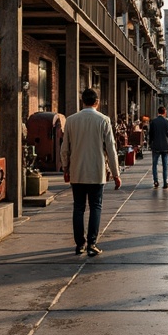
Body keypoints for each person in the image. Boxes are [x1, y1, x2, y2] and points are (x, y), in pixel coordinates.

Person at [60, 88, 120, 256]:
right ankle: (92, 244)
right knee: (95, 207)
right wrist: (116, 174)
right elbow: (111, 149)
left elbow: (65, 148)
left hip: (77, 172)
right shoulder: (104, 120)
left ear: (82, 102)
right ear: (97, 102)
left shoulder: (71, 121)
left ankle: (79, 244)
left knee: (78, 208)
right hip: (97, 172)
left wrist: (65, 167)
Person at [149, 105, 168, 188]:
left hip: (155, 146)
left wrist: (150, 143)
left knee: (154, 164)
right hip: (165, 146)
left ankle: (156, 181)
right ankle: (165, 182)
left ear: (158, 112)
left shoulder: (153, 122)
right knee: (165, 165)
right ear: (165, 112)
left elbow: (151, 134)